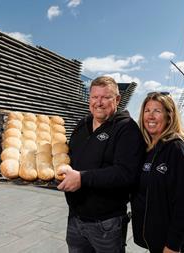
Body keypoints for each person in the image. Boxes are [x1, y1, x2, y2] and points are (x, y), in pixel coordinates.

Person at [57, 76, 145, 253]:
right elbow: (68, 158)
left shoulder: (127, 129)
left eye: (105, 97)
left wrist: (82, 178)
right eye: (94, 97)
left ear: (117, 99)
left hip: (107, 224)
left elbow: (126, 173)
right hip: (75, 219)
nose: (99, 102)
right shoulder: (82, 125)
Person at [131, 92, 184, 253]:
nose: (150, 116)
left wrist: (173, 245)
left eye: (157, 111)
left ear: (169, 116)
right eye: (147, 111)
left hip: (173, 245)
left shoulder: (177, 148)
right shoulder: (149, 149)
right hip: (157, 240)